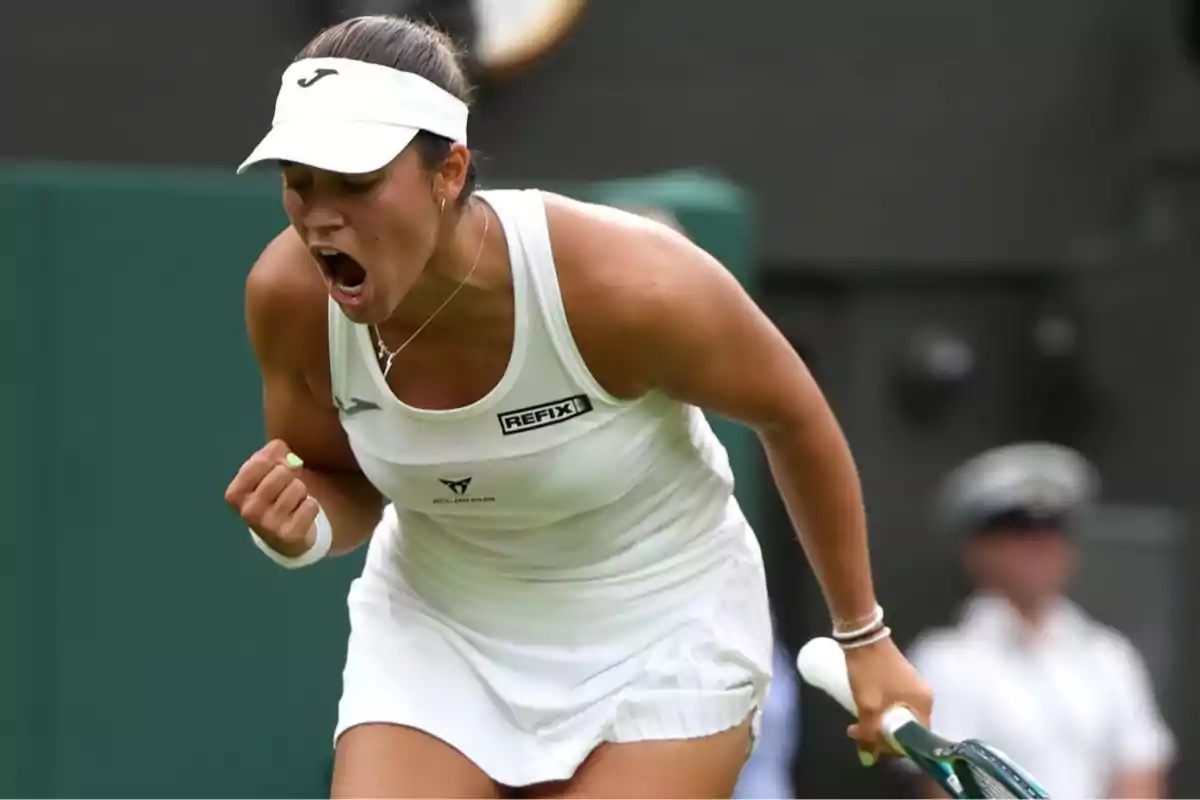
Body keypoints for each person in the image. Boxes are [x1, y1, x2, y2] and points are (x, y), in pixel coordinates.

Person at [223, 14, 931, 798]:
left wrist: (865, 635)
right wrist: (303, 526)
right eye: (299, 181)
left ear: (449, 171)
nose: (320, 214)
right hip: (442, 627)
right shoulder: (288, 297)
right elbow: (337, 477)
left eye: (355, 181)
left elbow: (792, 417)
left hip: (660, 632)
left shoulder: (630, 286)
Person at [907, 442, 1176, 800]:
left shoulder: (1109, 655)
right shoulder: (944, 662)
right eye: (1019, 533)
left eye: (1052, 532)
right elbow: (946, 786)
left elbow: (1140, 775)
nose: (1039, 549)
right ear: (977, 551)